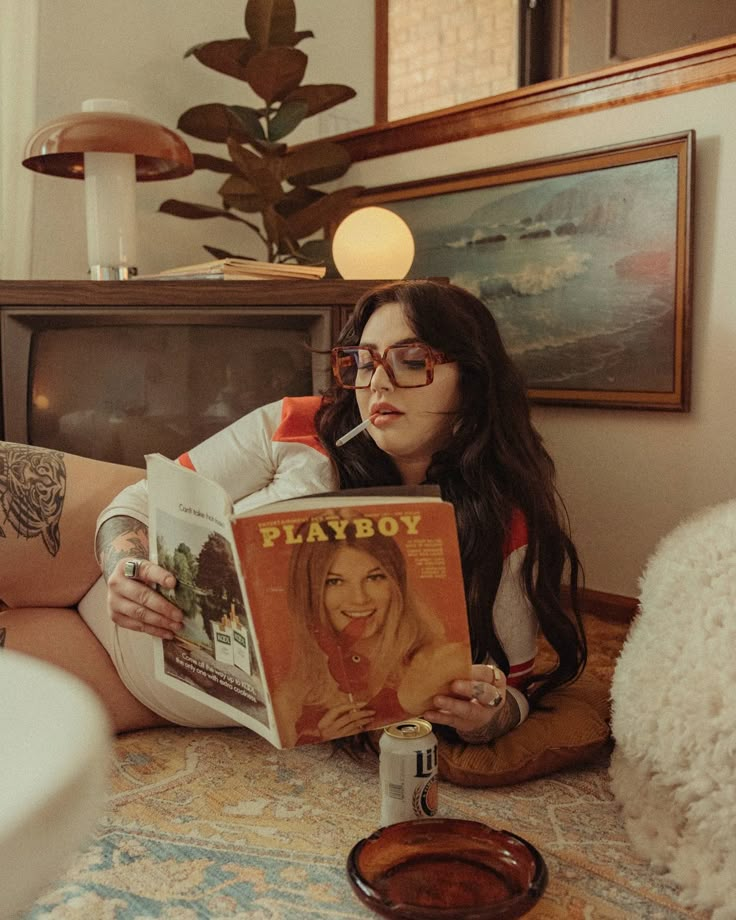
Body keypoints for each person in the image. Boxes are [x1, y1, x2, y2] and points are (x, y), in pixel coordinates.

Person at [1, 279, 586, 746]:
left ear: (474, 381)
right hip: (91, 551)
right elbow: (136, 501)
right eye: (363, 361)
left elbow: (511, 687)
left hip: (147, 684)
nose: (377, 383)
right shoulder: (300, 425)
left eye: (411, 361)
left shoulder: (502, 522)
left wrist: (486, 717)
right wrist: (125, 565)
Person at [276, 522, 469, 746]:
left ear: (396, 584)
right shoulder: (289, 699)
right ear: (309, 595)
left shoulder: (443, 663)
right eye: (335, 581)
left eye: (374, 577)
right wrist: (320, 739)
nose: (359, 598)